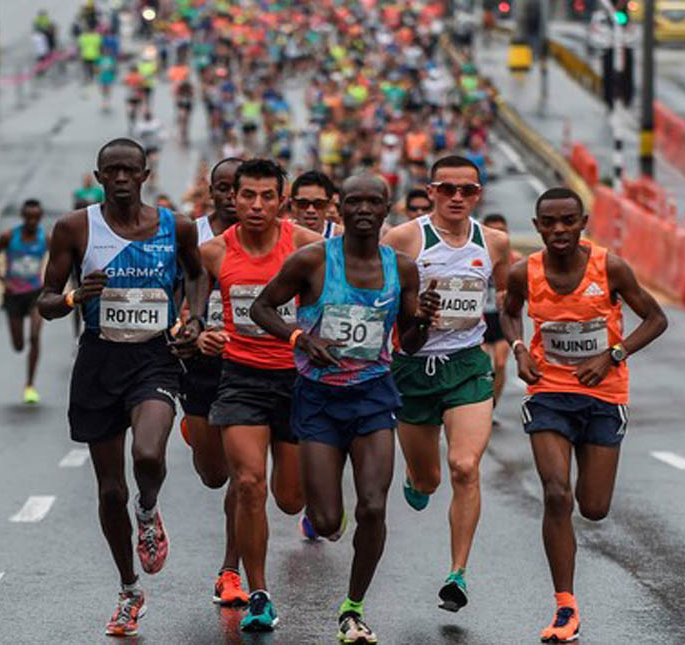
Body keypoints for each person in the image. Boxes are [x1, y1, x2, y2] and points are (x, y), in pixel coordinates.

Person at [250, 173, 441, 645]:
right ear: (340, 207)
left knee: (374, 506)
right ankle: (327, 515)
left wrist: (423, 319)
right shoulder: (313, 261)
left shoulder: (402, 269)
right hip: (317, 398)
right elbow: (261, 307)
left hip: (373, 395)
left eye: (372, 202)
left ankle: (352, 608)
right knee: (330, 521)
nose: (362, 210)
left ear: (385, 208)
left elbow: (410, 343)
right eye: (353, 201)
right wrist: (301, 339)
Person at [36, 138, 207, 637]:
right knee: (109, 490)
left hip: (154, 357)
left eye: (129, 170)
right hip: (99, 359)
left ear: (145, 173)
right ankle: (130, 590)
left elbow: (198, 276)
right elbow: (45, 300)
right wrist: (72, 297)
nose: (120, 179)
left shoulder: (175, 226)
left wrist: (194, 318)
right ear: (98, 175)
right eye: (111, 171)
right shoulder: (74, 228)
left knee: (149, 455)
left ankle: (149, 511)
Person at [499, 187, 667, 643]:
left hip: (603, 395)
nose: (558, 230)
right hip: (549, 392)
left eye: (568, 221)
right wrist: (518, 349)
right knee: (557, 494)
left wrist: (613, 354)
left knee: (593, 508)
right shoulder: (523, 273)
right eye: (549, 223)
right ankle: (565, 607)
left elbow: (656, 318)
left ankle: (566, 598)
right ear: (536, 227)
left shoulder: (608, 267)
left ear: (582, 221)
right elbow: (507, 312)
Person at [380, 155, 511, 613]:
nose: (458, 197)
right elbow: (379, 300)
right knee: (430, 478)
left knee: (463, 466)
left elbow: (507, 302)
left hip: (467, 365)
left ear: (479, 194)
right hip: (413, 368)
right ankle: (417, 480)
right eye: (448, 189)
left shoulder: (494, 242)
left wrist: (518, 345)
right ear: (431, 190)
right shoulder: (403, 239)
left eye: (468, 190)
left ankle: (457, 574)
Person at [198, 159, 323, 632]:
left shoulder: (308, 247)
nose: (255, 205)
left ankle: (320, 507)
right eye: (247, 195)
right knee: (249, 483)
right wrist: (197, 333)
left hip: (297, 380)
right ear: (234, 198)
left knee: (290, 500)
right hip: (241, 378)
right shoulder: (213, 252)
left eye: (266, 196)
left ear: (281, 200)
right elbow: (189, 304)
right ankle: (259, 593)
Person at [177, 158, 249, 607]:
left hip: (252, 366)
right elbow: (176, 294)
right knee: (213, 475)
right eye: (221, 187)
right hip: (202, 365)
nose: (228, 195)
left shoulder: (269, 238)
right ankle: (196, 431)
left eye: (235, 188)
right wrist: (189, 329)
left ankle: (230, 572)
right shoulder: (193, 235)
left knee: (244, 480)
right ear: (211, 192)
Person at [0, 199, 48, 404]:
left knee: (35, 337)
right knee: (19, 345)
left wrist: (51, 283)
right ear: (23, 217)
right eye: (28, 217)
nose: (31, 221)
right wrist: (3, 280)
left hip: (35, 294)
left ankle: (30, 385)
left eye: (35, 218)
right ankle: (27, 376)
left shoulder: (45, 238)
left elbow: (60, 260)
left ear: (40, 218)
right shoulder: (8, 236)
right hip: (13, 295)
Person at [480, 213, 523, 413]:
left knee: (500, 362)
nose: (498, 234)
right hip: (479, 318)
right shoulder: (473, 255)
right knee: (484, 363)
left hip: (502, 317)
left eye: (502, 230)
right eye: (493, 230)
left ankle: (492, 406)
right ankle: (481, 404)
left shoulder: (516, 259)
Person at [289, 170, 342, 239]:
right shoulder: (280, 233)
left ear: (329, 205)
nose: (310, 210)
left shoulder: (340, 238)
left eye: (318, 204)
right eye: (303, 203)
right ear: (293, 204)